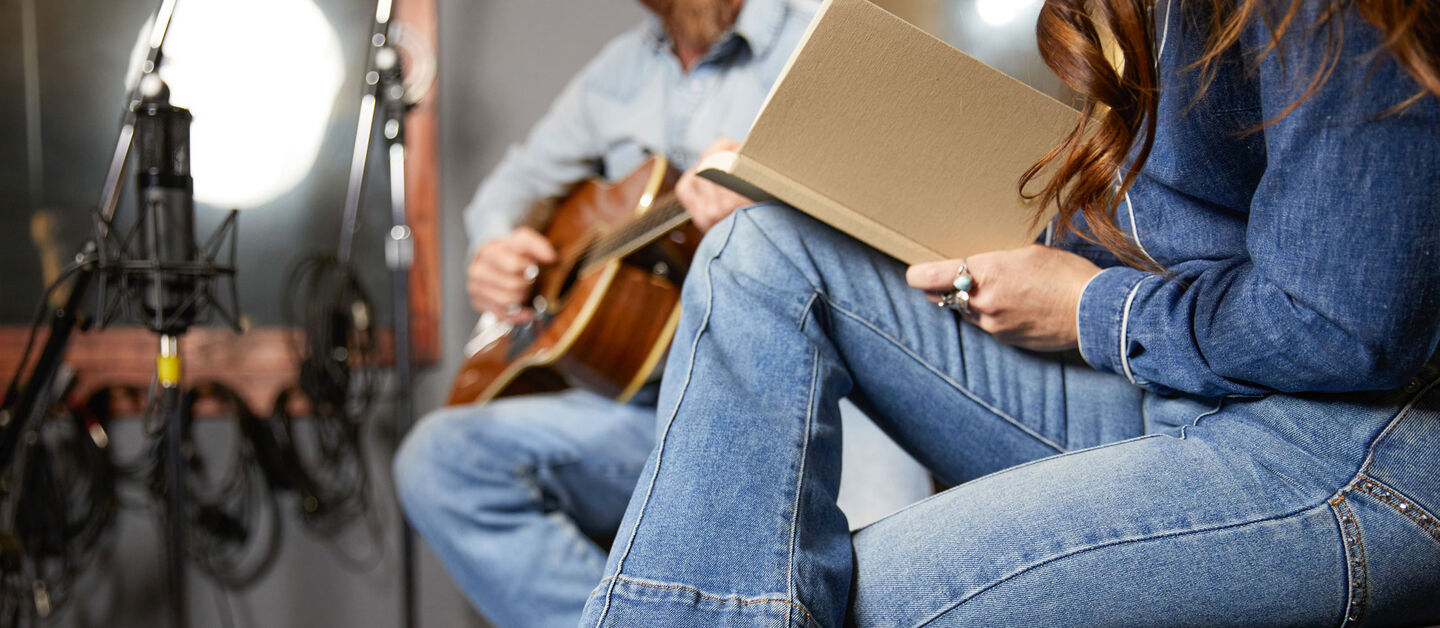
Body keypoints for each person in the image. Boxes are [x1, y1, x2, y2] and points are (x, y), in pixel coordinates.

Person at [577, 0, 1440, 625]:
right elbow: (1171, 235)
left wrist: (1090, 311)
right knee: (760, 245)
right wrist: (804, 172)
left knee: (827, 596)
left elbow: (1344, 324)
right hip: (1181, 392)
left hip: (1350, 442)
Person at [391, 1, 932, 626]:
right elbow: (504, 194)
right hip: (650, 407)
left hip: (826, 397)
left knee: (883, 588)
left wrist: (770, 209)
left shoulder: (826, 36)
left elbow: (912, 219)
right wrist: (494, 248)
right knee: (441, 459)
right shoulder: (620, 70)